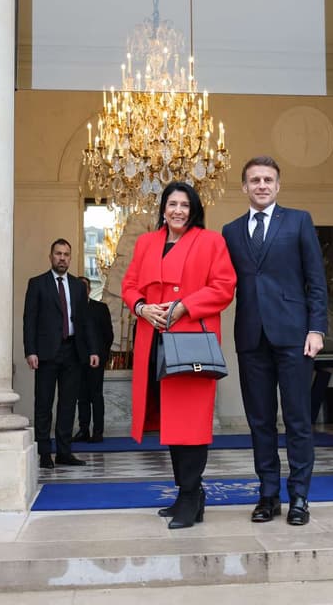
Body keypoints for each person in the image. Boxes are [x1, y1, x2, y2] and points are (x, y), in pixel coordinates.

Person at [122, 181, 236, 529]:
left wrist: (185, 305)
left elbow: (224, 287)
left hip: (191, 345)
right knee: (170, 424)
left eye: (185, 205)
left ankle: (191, 495)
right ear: (163, 208)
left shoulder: (211, 241)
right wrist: (141, 308)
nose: (178, 211)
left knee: (190, 422)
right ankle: (187, 493)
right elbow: (129, 286)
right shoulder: (146, 243)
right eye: (172, 204)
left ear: (194, 209)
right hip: (153, 343)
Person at [221, 156, 328, 526]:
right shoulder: (230, 231)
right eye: (254, 180)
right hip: (251, 338)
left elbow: (316, 280)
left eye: (268, 179)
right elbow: (221, 284)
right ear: (244, 187)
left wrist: (317, 329)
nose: (262, 185)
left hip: (295, 336)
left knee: (298, 420)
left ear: (278, 186)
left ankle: (299, 496)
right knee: (260, 421)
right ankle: (268, 495)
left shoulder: (299, 221)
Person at [23, 239, 99, 468]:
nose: (62, 258)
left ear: (70, 257)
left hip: (73, 352)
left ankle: (65, 453)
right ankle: (45, 454)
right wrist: (30, 351)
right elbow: (30, 320)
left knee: (68, 405)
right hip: (46, 353)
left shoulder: (77, 286)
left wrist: (93, 350)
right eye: (58, 254)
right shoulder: (37, 284)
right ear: (51, 256)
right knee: (44, 404)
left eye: (66, 254)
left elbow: (86, 322)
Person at [74, 276, 113, 443]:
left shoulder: (100, 308)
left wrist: (100, 354)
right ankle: (83, 430)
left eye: (85, 288)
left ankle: (98, 431)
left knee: (96, 396)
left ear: (89, 290)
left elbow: (108, 335)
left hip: (96, 361)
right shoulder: (71, 309)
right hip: (76, 359)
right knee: (81, 397)